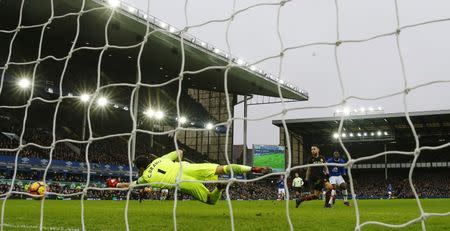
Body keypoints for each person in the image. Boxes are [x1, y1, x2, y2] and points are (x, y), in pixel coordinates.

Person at [107, 150, 271, 205]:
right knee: (222, 168)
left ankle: (219, 189)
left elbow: (129, 186)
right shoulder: (160, 159)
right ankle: (253, 168)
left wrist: (116, 184)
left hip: (183, 182)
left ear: (141, 168)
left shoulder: (145, 178)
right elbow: (180, 152)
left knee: (210, 200)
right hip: (187, 167)